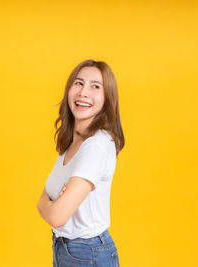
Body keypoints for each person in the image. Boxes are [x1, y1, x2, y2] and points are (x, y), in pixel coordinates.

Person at [37, 59, 124, 267]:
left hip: (88, 253)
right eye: (78, 83)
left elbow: (56, 215)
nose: (83, 92)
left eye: (95, 86)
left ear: (107, 98)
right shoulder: (72, 142)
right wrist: (52, 204)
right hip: (65, 248)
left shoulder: (96, 146)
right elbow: (44, 200)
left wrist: (50, 205)